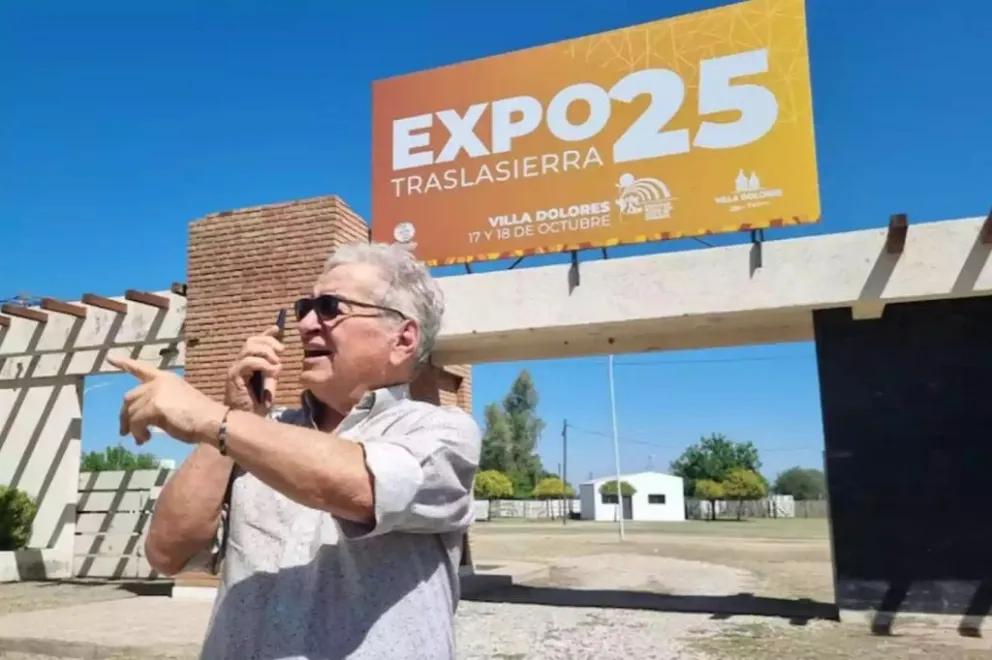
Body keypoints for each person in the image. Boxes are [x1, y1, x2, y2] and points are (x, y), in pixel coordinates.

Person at [109, 242, 482, 660]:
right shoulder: (254, 435)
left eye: (329, 307)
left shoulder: (440, 431)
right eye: (305, 307)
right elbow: (166, 553)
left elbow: (365, 485)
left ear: (403, 338)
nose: (306, 324)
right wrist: (234, 416)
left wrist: (212, 418)